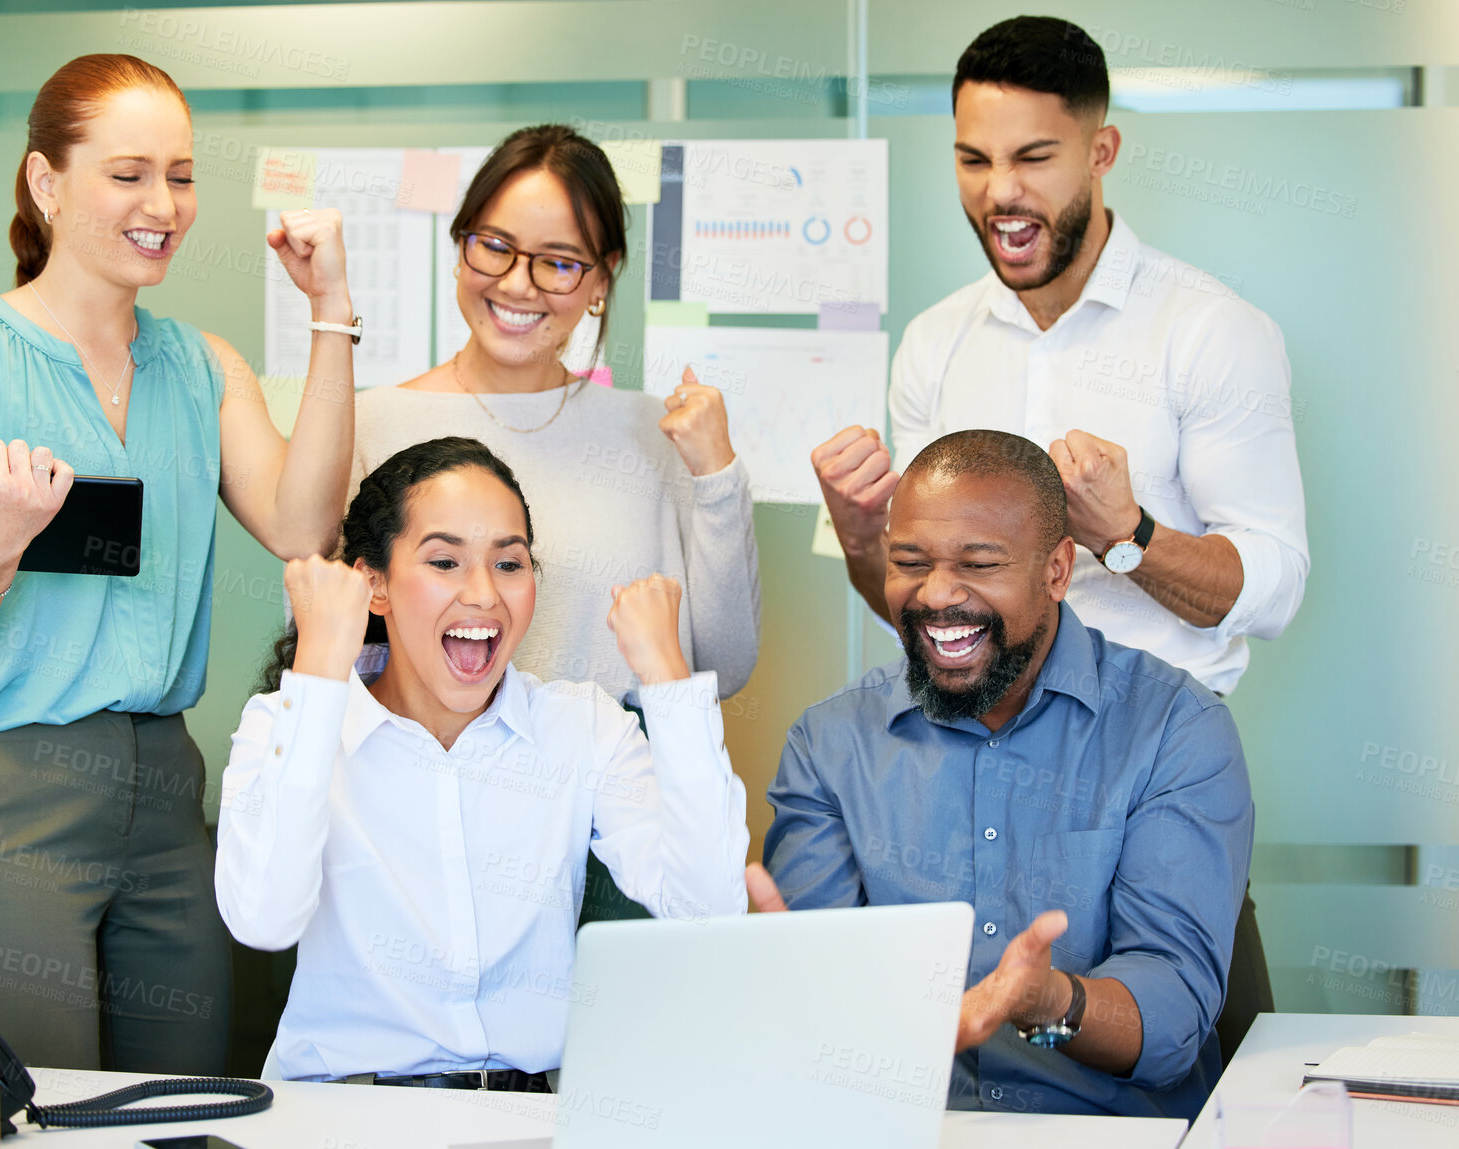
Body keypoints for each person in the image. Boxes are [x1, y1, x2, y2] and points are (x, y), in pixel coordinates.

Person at [0, 54, 356, 1072]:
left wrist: (329, 311)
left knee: (177, 1103)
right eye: (128, 173)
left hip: (164, 794)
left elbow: (303, 526)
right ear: (47, 183)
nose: (163, 203)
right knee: (36, 1110)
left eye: (180, 175)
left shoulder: (204, 367)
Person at [216, 437, 748, 1087]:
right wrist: (320, 671)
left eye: (509, 563)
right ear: (373, 586)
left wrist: (668, 677)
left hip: (528, 1115)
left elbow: (709, 907)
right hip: (347, 1115)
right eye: (444, 560)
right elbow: (263, 917)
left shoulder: (580, 726)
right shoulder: (285, 723)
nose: (482, 595)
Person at [756, 429, 1251, 1119]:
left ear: (1055, 569)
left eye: (979, 563)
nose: (935, 595)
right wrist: (783, 973)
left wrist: (1052, 1002)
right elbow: (812, 1018)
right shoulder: (831, 740)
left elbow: (1173, 1014)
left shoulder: (1172, 728)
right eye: (908, 562)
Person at [813, 15, 1307, 697]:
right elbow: (928, 618)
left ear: (1100, 151)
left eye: (1033, 157)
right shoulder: (933, 342)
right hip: (975, 744)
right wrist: (863, 540)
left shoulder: (1208, 330)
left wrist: (1124, 534)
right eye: (973, 159)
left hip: (1155, 747)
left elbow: (1273, 591)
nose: (999, 192)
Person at [341, 124, 760, 703]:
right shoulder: (371, 425)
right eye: (494, 246)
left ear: (602, 276)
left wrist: (717, 477)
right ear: (460, 245)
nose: (517, 284)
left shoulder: (656, 436)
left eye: (558, 262)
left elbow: (724, 668)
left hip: (619, 782)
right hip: (425, 771)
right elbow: (326, 648)